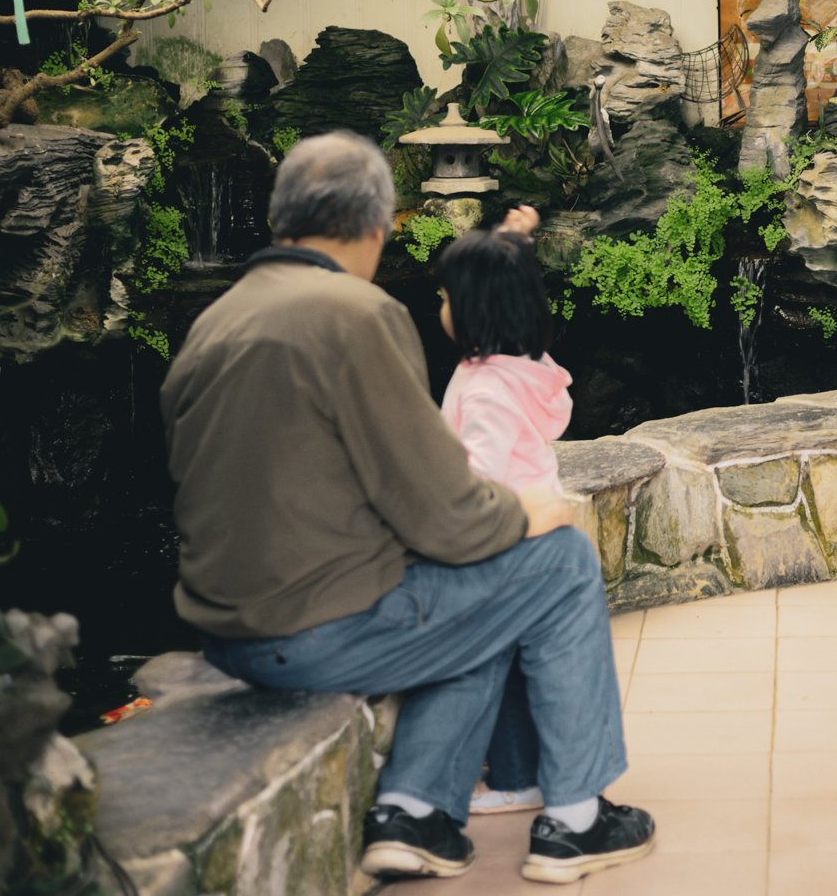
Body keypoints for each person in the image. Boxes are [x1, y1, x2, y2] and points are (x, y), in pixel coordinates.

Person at [162, 131, 654, 884]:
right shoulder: (357, 313)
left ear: (279, 219)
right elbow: (450, 516)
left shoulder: (211, 324)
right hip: (323, 628)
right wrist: (530, 511)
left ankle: (416, 809)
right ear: (377, 226)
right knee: (553, 561)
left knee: (475, 598)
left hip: (228, 632)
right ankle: (578, 821)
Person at [433, 220, 575, 821]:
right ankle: (523, 766)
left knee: (502, 663)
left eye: (444, 297)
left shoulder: (488, 387)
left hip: (504, 541)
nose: (437, 305)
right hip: (534, 530)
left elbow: (482, 475)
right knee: (520, 660)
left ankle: (517, 778)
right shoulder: (527, 364)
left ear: (472, 308)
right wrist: (510, 234)